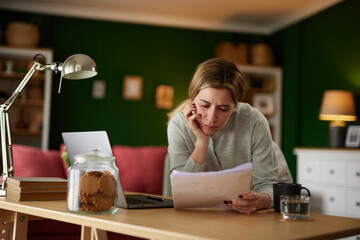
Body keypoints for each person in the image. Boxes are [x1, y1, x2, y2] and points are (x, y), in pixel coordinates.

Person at [167, 58, 279, 214]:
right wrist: (202, 142)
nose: (211, 118)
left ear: (235, 106)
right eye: (205, 105)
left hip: (244, 218)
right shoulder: (178, 125)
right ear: (193, 98)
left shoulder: (254, 122)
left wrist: (262, 200)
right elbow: (182, 191)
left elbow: (267, 183)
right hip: (196, 216)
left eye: (224, 108)